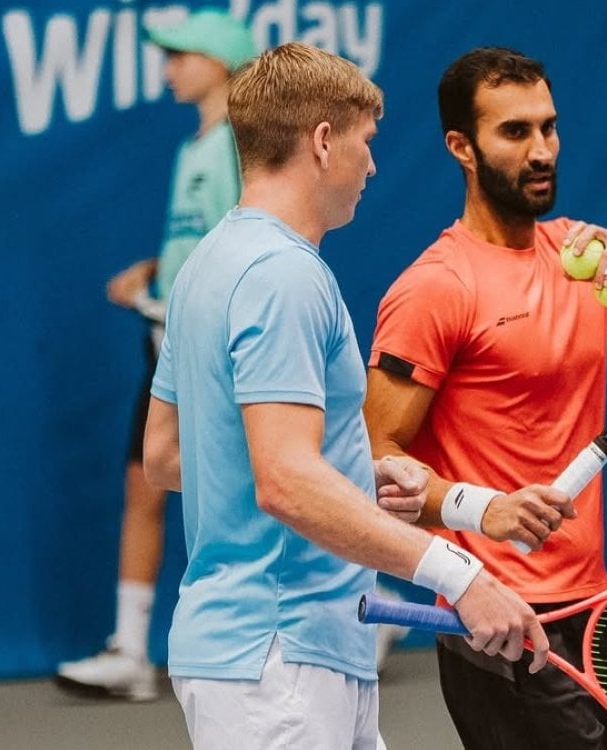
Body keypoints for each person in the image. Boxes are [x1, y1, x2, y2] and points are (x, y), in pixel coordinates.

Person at [141, 42, 557, 750]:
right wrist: (461, 575)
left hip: (271, 653)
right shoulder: (286, 277)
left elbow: (170, 456)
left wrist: (352, 473)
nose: (373, 166)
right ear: (323, 142)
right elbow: (284, 482)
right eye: (366, 143)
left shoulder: (208, 265)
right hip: (280, 663)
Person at [363, 47, 607, 750]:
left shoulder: (583, 261)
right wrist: (483, 508)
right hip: (497, 617)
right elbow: (374, 461)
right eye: (515, 132)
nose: (541, 151)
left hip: (594, 607)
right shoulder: (436, 288)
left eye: (549, 128)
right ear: (460, 148)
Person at [55, 9, 255, 702]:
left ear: (221, 62)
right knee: (144, 483)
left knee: (268, 488)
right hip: (168, 341)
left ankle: (358, 602)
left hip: (214, 348)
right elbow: (199, 241)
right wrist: (155, 272)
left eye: (181, 56)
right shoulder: (194, 148)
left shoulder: (239, 145)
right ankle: (133, 652)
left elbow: (244, 242)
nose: (168, 68)